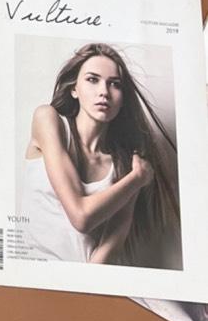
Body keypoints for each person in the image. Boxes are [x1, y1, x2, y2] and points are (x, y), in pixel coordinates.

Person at [21, 43, 180, 266]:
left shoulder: (125, 163)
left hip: (88, 278)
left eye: (114, 84)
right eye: (92, 79)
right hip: (35, 272)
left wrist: (83, 282)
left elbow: (110, 247)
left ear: (122, 99)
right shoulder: (48, 119)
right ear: (74, 89)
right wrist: (137, 180)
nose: (104, 91)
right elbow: (81, 217)